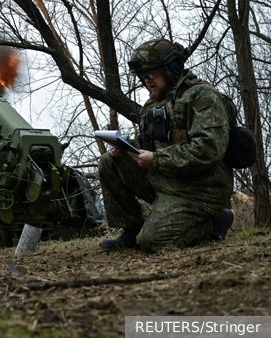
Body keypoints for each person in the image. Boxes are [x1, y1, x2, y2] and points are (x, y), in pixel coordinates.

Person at [98, 38, 234, 253]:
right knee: (109, 162)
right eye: (143, 77)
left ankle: (214, 222)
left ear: (169, 69)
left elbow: (209, 149)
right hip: (166, 180)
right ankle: (132, 230)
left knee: (153, 242)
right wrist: (126, 147)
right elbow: (149, 144)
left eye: (151, 74)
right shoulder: (154, 102)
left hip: (200, 189)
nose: (147, 81)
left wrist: (157, 159)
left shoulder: (202, 96)